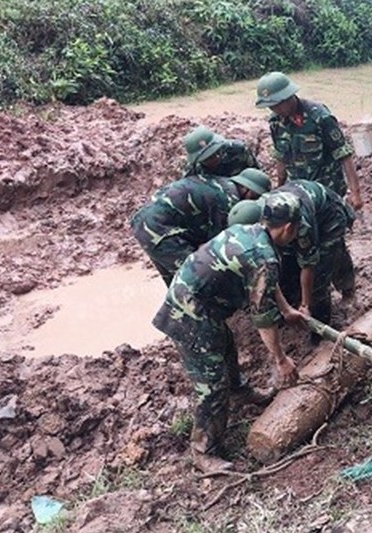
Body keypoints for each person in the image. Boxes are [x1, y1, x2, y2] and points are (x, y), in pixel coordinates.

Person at [152, 192, 305, 472]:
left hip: (196, 301)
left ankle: (239, 390)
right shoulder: (264, 257)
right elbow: (262, 318)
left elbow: (265, 285)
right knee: (211, 383)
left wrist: (285, 310)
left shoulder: (247, 231)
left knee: (225, 343)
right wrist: (281, 360)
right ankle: (204, 451)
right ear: (289, 227)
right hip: (189, 313)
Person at [130, 158, 271, 286]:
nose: (253, 202)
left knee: (175, 277)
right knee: (194, 276)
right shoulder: (229, 199)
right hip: (158, 229)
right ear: (246, 189)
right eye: (255, 196)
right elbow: (219, 245)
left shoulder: (219, 182)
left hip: (144, 222)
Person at [255, 71, 363, 210]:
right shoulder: (275, 122)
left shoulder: (319, 117)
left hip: (327, 192)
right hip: (297, 191)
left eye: (276, 105)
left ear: (288, 98)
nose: (274, 110)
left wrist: (355, 193)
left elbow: (344, 154)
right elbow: (280, 155)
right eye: (271, 106)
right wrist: (279, 188)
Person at [262, 180, 355, 338]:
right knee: (287, 265)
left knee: (322, 269)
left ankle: (342, 296)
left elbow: (308, 265)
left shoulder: (302, 227)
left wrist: (306, 303)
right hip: (304, 202)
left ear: (290, 228)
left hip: (329, 215)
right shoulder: (264, 220)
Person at [183, 125, 259, 178]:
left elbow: (257, 177)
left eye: (216, 152)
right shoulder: (193, 169)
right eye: (207, 158)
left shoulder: (237, 150)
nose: (215, 158)